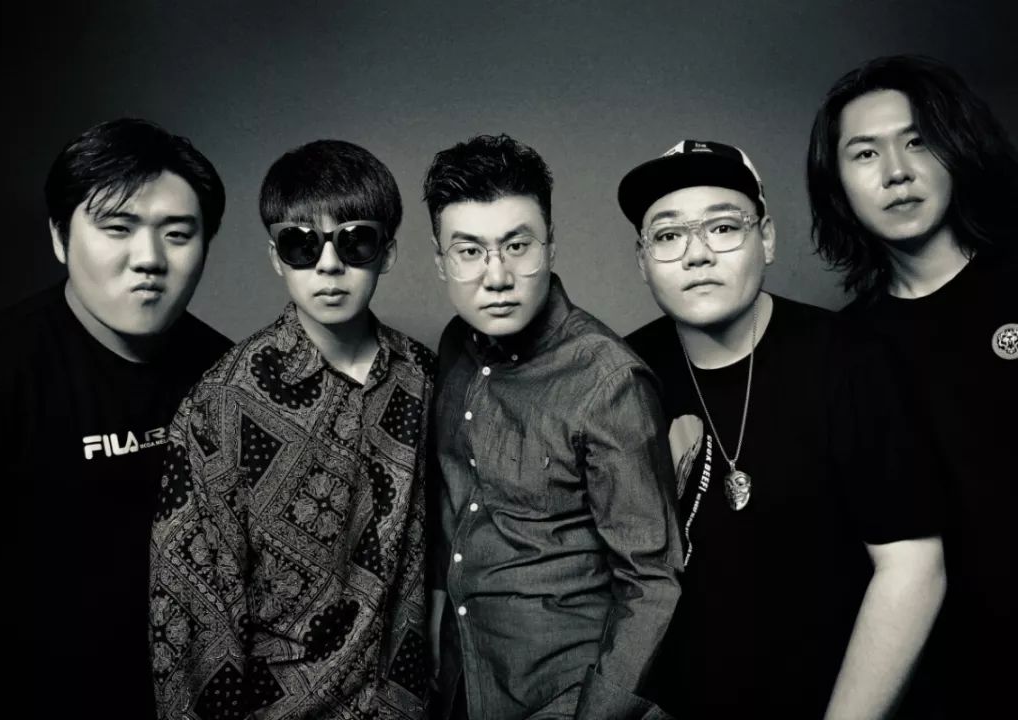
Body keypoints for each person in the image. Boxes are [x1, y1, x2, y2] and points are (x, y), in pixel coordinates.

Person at [619, 139, 945, 718]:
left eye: (723, 227)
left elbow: (912, 568)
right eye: (668, 236)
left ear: (766, 238)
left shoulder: (850, 359)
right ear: (642, 260)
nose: (697, 255)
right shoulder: (619, 375)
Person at [0, 118, 232, 719]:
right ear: (59, 237)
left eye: (178, 234)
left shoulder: (230, 376)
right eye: (117, 228)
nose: (148, 259)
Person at [149, 140, 434, 719]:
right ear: (276, 258)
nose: (328, 265)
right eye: (301, 244)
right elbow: (192, 610)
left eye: (354, 241)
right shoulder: (221, 403)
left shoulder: (427, 378)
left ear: (387, 253)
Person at [424, 133, 682, 720]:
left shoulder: (609, 379)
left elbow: (652, 581)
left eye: (517, 246)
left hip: (565, 696)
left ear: (551, 246)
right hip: (465, 683)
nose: (496, 276)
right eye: (469, 251)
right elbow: (453, 506)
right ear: (440, 262)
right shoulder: (455, 346)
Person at [807, 54, 1018, 716]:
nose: (896, 172)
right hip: (943, 681)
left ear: (958, 146)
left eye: (918, 141)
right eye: (865, 153)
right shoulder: (840, 350)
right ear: (838, 184)